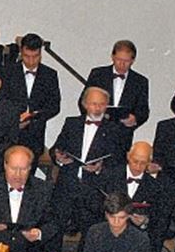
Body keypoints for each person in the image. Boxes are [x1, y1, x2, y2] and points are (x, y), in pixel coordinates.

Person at [50, 86, 122, 236]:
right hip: (67, 186)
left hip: (93, 190)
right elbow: (56, 148)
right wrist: (58, 157)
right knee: (55, 230)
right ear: (85, 104)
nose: (97, 108)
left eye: (101, 104)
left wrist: (99, 168)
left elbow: (117, 161)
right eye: (93, 103)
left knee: (90, 235)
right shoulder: (72, 123)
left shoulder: (114, 129)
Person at [98, 141, 175, 252]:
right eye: (135, 161)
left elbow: (160, 217)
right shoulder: (109, 175)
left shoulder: (156, 187)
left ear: (149, 162)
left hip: (134, 242)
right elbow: (93, 204)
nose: (138, 167)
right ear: (128, 156)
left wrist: (145, 221)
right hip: (106, 236)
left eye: (143, 163)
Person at [0, 33, 61, 167]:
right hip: (10, 133)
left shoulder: (50, 75)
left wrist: (35, 116)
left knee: (29, 175)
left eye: (36, 57)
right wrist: (16, 118)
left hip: (35, 134)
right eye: (27, 56)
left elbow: (54, 105)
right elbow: (2, 101)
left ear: (40, 54)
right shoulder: (8, 72)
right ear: (21, 52)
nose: (31, 61)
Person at [82, 40, 150, 154]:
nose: (122, 64)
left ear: (133, 60)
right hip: (96, 132)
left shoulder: (140, 81)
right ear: (112, 57)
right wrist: (95, 116)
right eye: (119, 59)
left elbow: (143, 110)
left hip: (122, 136)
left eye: (126, 61)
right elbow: (83, 102)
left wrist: (135, 119)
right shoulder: (98, 74)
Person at [81, 192, 154, 252]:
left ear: (128, 216)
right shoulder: (94, 232)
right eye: (112, 217)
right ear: (106, 215)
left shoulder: (140, 238)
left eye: (121, 217)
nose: (116, 222)